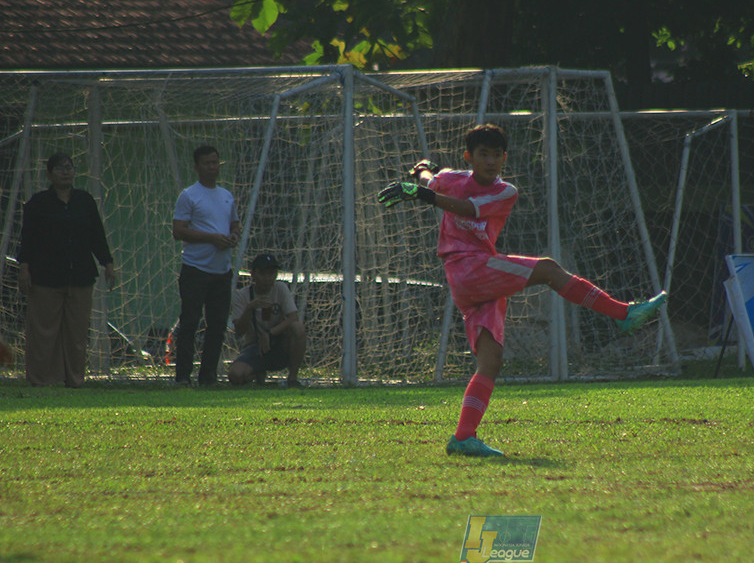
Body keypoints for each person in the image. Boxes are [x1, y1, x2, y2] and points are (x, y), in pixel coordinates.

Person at [378, 124, 667, 457]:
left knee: (491, 360)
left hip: (475, 279)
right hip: (468, 269)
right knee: (546, 269)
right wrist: (422, 173)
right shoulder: (454, 179)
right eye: (482, 155)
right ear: (469, 157)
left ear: (504, 158)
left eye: (495, 155)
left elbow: (464, 206)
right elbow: (431, 179)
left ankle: (463, 437)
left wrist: (421, 181)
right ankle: (622, 314)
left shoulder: (505, 191)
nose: (489, 162)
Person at [17, 152, 116, 387]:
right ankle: (41, 379)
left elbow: (97, 236)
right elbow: (27, 240)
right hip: (45, 278)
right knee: (44, 332)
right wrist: (24, 268)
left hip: (80, 276)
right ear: (49, 174)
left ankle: (74, 379)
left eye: (69, 167)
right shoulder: (38, 204)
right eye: (60, 168)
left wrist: (108, 263)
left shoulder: (85, 201)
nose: (65, 172)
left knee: (77, 333)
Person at [171, 145, 241, 386]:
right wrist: (212, 238)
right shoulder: (189, 195)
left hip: (222, 271)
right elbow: (178, 231)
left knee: (218, 325)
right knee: (190, 322)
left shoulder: (226, 195)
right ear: (196, 167)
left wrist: (232, 237)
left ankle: (208, 377)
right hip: (195, 269)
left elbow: (234, 224)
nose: (213, 167)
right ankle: (182, 376)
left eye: (215, 162)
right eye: (207, 163)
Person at [227, 253, 306, 387]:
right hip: (255, 347)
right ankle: (257, 372)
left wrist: (269, 334)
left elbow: (293, 317)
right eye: (263, 274)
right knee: (235, 376)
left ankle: (293, 378)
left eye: (272, 274)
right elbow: (239, 331)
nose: (268, 279)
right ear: (253, 275)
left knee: (298, 328)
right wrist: (250, 308)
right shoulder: (242, 296)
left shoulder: (280, 288)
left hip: (279, 345)